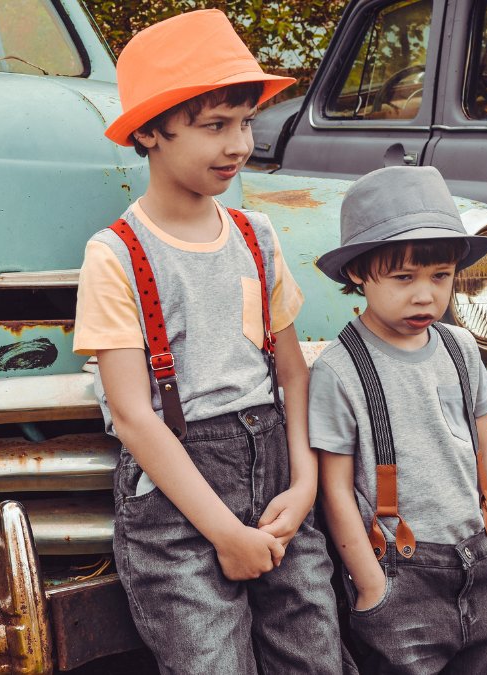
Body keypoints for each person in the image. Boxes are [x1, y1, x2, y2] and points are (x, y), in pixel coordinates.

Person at [73, 9, 346, 674]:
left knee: (314, 655)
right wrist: (225, 533)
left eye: (245, 122)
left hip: (278, 480)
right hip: (177, 501)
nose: (239, 144)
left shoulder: (257, 236)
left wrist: (304, 485)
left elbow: (293, 373)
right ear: (149, 130)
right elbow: (134, 416)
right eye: (215, 125)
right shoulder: (117, 254)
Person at [310, 165, 487, 673]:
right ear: (358, 272)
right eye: (403, 277)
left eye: (440, 276)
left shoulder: (461, 348)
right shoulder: (340, 370)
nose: (425, 295)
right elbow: (335, 489)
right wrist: (371, 586)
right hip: (401, 577)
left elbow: (486, 452)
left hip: (482, 558)